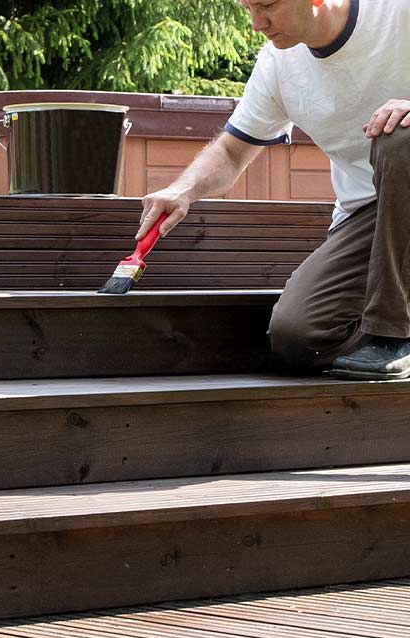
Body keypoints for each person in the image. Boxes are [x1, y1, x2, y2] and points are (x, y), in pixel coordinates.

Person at [137, 0, 410, 380]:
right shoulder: (280, 65)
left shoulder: (397, 12)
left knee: (402, 137)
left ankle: (391, 337)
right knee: (300, 335)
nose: (255, 23)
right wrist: (183, 189)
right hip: (373, 214)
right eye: (247, 7)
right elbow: (232, 152)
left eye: (267, 5)